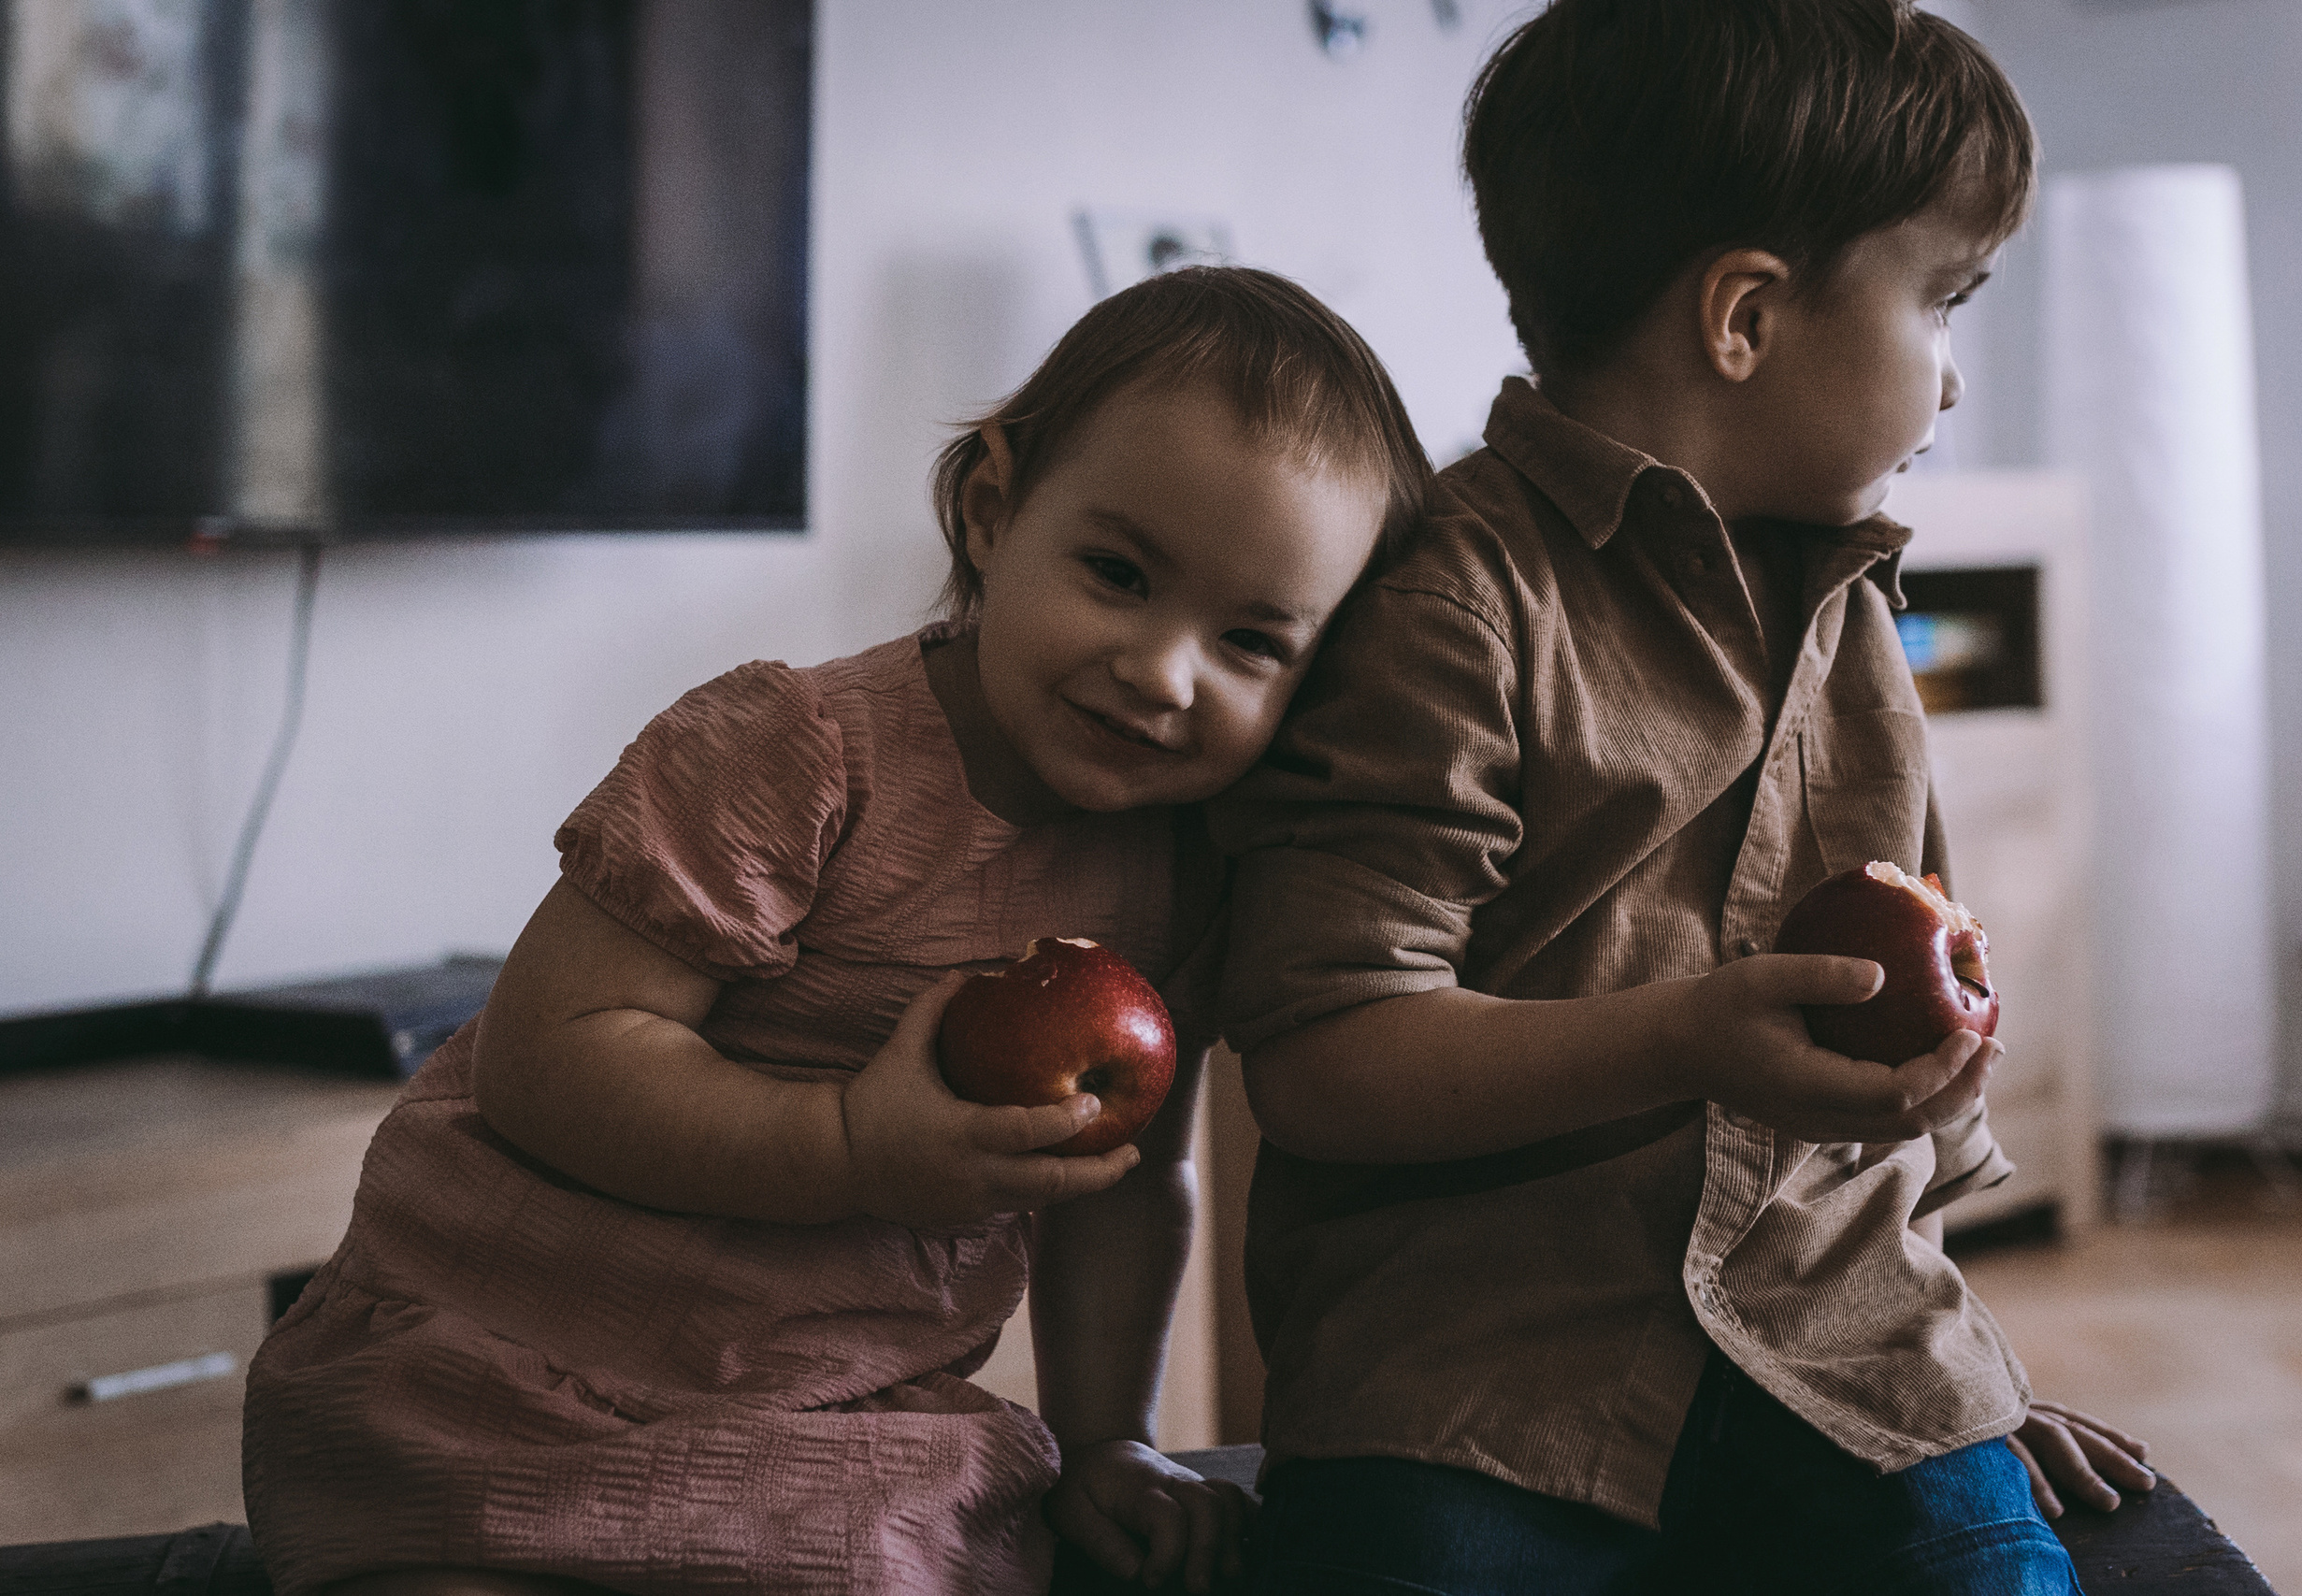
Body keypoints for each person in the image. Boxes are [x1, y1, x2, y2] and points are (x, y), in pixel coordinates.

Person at [242, 266, 1432, 1596]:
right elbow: (549, 1053)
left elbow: (1122, 1184)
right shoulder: (798, 755)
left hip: (815, 1430)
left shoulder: (1191, 878)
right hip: (503, 1371)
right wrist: (852, 1145)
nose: (1164, 670)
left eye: (1252, 645)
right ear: (994, 513)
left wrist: (1110, 1443)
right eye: (1117, 573)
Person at [1207, 5, 2155, 1591]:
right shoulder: (1455, 604)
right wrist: (1687, 1035)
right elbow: (1323, 1059)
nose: (1955, 380)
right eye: (1943, 303)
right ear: (1745, 317)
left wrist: (1957, 1389)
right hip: (1477, 1375)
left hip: (1838, 1349)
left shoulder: (1856, 604)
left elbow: (1896, 1084)